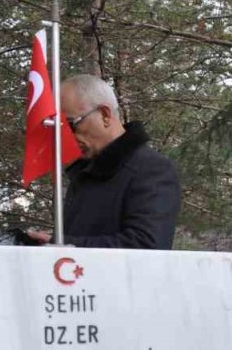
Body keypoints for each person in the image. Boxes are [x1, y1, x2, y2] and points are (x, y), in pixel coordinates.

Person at [27, 75, 181, 249]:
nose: (66, 136)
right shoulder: (85, 173)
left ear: (105, 115)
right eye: (60, 127)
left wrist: (66, 245)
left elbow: (147, 245)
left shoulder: (151, 170)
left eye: (71, 124)